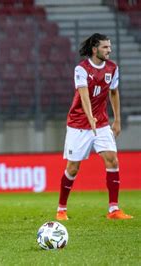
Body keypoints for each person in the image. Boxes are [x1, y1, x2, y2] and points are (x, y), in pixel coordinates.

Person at [56, 33, 133, 221]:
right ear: (94, 49)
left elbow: (114, 93)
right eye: (105, 47)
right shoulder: (81, 69)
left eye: (109, 46)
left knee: (112, 160)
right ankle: (61, 209)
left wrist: (117, 120)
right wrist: (89, 117)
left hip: (101, 123)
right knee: (73, 168)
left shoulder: (113, 68)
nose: (109, 50)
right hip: (78, 124)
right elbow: (83, 94)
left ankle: (114, 209)